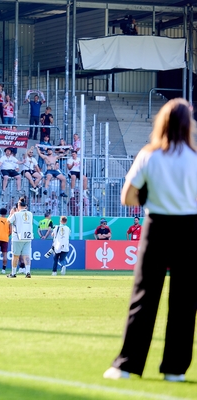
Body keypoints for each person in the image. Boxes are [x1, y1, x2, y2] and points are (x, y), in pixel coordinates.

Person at [104, 98, 197, 383]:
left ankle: (127, 365)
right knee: (185, 301)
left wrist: (150, 197)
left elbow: (127, 197)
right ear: (188, 125)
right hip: (190, 228)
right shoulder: (195, 157)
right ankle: (175, 369)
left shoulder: (149, 154)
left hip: (157, 225)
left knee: (144, 296)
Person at [7, 199, 34, 278]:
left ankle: (13, 273)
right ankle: (28, 272)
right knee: (26, 255)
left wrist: (11, 214)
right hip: (28, 237)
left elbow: (8, 222)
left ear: (18, 206)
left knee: (15, 256)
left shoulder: (16, 214)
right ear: (25, 206)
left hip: (17, 237)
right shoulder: (30, 214)